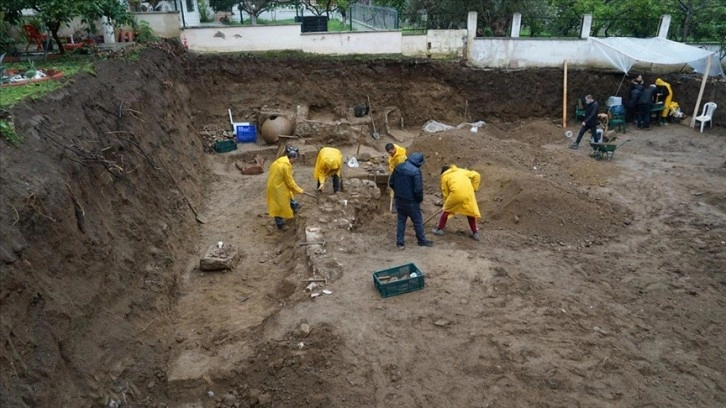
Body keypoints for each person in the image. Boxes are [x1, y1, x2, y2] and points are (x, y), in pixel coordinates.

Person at [389, 152, 433, 250]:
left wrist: (398, 192)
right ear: (419, 162)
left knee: (401, 221)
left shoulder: (398, 167)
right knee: (417, 221)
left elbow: (391, 183)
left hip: (399, 200)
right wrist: (419, 199)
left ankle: (400, 243)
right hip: (411, 201)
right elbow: (418, 189)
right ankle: (421, 240)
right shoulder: (416, 171)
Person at [431, 165, 482, 241]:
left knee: (445, 211)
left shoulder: (444, 176)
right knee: (470, 212)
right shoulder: (461, 171)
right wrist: (474, 188)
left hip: (456, 194)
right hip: (469, 194)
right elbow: (477, 175)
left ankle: (439, 229)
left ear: (443, 172)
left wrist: (446, 204)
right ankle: (475, 233)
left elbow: (445, 192)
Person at [266, 146, 304, 231]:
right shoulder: (285, 166)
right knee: (278, 206)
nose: (295, 161)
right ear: (292, 157)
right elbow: (290, 182)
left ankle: (295, 206)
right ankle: (280, 224)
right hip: (276, 188)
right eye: (295, 159)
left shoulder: (281, 161)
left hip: (278, 184)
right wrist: (299, 190)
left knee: (288, 195)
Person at [385, 143, 407, 213]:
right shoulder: (394, 152)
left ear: (393, 149)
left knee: (398, 189)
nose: (390, 154)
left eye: (390, 152)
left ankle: (398, 206)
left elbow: (401, 169)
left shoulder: (401, 157)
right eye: (389, 153)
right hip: (394, 171)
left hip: (401, 174)